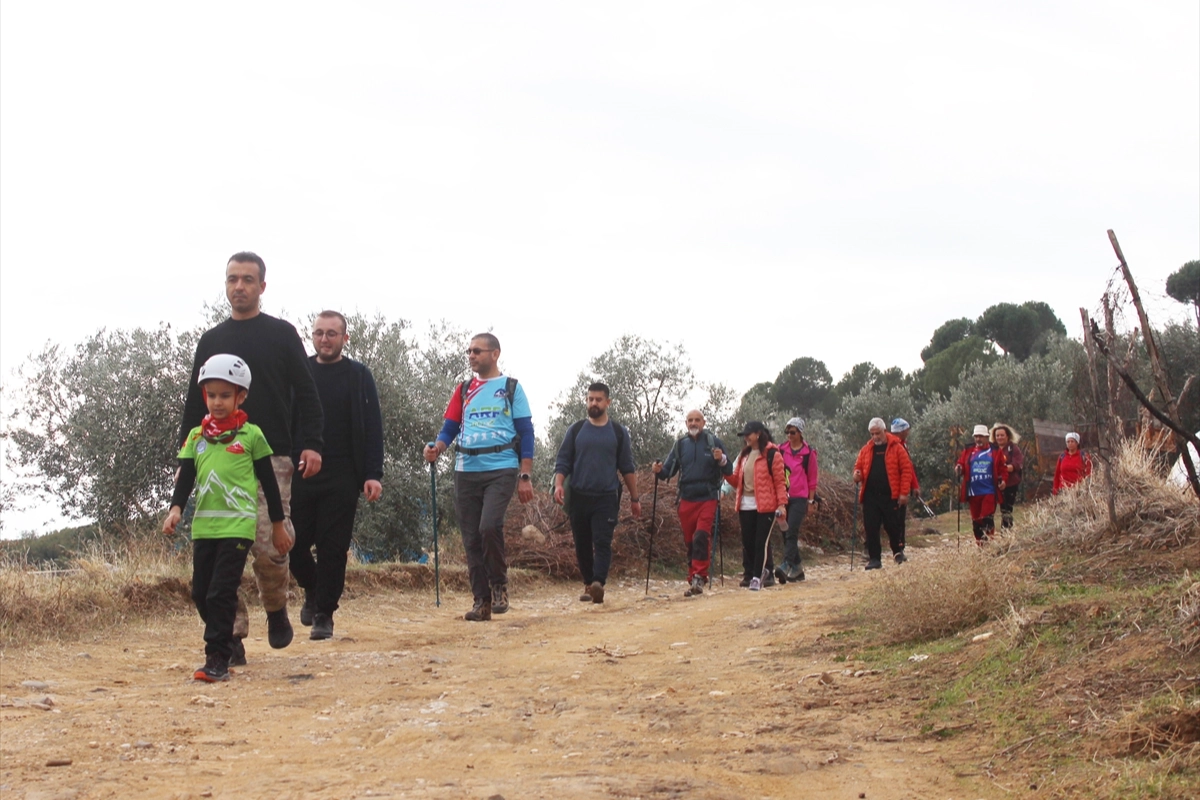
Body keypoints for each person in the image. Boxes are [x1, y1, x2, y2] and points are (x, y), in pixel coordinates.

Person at [179, 252, 324, 662]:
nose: (238, 286)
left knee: (269, 545)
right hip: (217, 461)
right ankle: (231, 634)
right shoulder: (210, 341)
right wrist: (186, 457)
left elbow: (308, 394)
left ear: (262, 286)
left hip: (272, 455)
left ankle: (276, 606)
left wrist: (311, 443)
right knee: (221, 552)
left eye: (246, 279)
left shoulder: (282, 334)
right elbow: (195, 405)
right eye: (231, 279)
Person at [164, 355, 290, 682]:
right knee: (200, 593)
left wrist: (277, 526)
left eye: (224, 395)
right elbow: (186, 478)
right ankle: (229, 641)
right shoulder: (196, 437)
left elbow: (271, 486)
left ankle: (217, 658)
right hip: (204, 528)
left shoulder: (252, 437)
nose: (217, 402)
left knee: (221, 592)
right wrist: (176, 509)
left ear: (240, 396)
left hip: (238, 526)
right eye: (211, 395)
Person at [424, 333, 534, 621]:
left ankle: (499, 584)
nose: (471, 355)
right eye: (469, 351)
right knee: (471, 537)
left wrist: (525, 475)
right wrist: (437, 447)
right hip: (466, 470)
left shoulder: (511, 388)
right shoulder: (463, 389)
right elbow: (449, 429)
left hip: (502, 467)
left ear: (495, 354)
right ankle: (481, 602)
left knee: (489, 527)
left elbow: (526, 432)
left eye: (477, 351)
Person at [288, 312, 384, 641]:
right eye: (318, 333)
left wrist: (373, 474)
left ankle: (324, 614)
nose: (324, 339)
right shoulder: (299, 374)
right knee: (290, 542)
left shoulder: (359, 375)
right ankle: (311, 588)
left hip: (343, 472)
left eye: (332, 334)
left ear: (345, 338)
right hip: (299, 471)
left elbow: (373, 427)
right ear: (311, 337)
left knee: (332, 547)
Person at [554, 383, 640, 604]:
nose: (594, 403)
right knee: (582, 543)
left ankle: (598, 583)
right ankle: (587, 583)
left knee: (602, 541)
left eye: (598, 399)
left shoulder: (619, 433)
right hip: (579, 496)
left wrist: (635, 498)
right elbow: (563, 461)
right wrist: (559, 485)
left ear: (607, 402)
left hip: (606, 497)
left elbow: (627, 467)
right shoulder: (576, 430)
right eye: (590, 399)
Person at [652, 410, 732, 596]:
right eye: (690, 420)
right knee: (689, 541)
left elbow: (728, 469)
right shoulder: (680, 445)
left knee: (701, 536)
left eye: (697, 420)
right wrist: (658, 470)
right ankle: (693, 577)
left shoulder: (714, 442)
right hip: (686, 498)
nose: (694, 423)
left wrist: (721, 460)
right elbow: (668, 472)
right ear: (686, 423)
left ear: (704, 422)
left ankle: (699, 575)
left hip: (708, 497)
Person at [725, 421, 787, 590]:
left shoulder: (773, 454)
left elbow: (779, 482)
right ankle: (757, 572)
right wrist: (724, 468)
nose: (746, 438)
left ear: (758, 434)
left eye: (748, 434)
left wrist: (782, 505)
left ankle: (756, 577)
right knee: (748, 542)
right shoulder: (744, 456)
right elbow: (736, 481)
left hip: (766, 506)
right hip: (745, 505)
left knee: (761, 542)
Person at [852, 418, 914, 569]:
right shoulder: (866, 449)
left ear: (884, 431)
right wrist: (856, 475)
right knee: (871, 527)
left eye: (878, 433)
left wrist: (904, 493)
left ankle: (897, 551)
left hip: (890, 495)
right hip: (870, 496)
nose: (875, 437)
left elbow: (907, 470)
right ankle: (874, 559)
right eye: (872, 434)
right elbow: (858, 467)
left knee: (892, 525)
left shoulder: (897, 447)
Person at [774, 417, 818, 583]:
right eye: (787, 432)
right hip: (783, 497)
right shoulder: (781, 450)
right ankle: (798, 567)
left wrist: (811, 502)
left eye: (792, 432)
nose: (789, 436)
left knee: (791, 530)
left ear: (800, 433)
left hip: (800, 497)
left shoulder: (809, 453)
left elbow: (812, 478)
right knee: (785, 532)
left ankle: (786, 564)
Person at [955, 424, 1007, 543]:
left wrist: (1003, 480)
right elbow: (961, 464)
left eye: (981, 436)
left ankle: (989, 542)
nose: (978, 439)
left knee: (986, 517)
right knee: (976, 520)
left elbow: (1002, 468)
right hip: (973, 491)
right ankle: (980, 545)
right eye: (976, 436)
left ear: (987, 437)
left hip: (989, 490)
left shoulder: (995, 451)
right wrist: (959, 468)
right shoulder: (968, 450)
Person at [890, 418, 917, 551]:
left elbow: (909, 468)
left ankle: (899, 545)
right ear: (901, 431)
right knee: (898, 519)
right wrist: (913, 486)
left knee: (898, 518)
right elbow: (908, 469)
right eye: (907, 429)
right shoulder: (897, 446)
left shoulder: (902, 445)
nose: (908, 431)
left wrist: (914, 485)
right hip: (897, 488)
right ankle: (898, 546)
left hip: (901, 487)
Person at [990, 423, 1024, 527]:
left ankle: (1006, 533)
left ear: (1007, 436)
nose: (999, 437)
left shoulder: (1013, 448)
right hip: (993, 483)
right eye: (997, 435)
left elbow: (1017, 464)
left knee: (1006, 509)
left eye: (1002, 435)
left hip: (1010, 484)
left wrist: (1003, 468)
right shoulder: (991, 449)